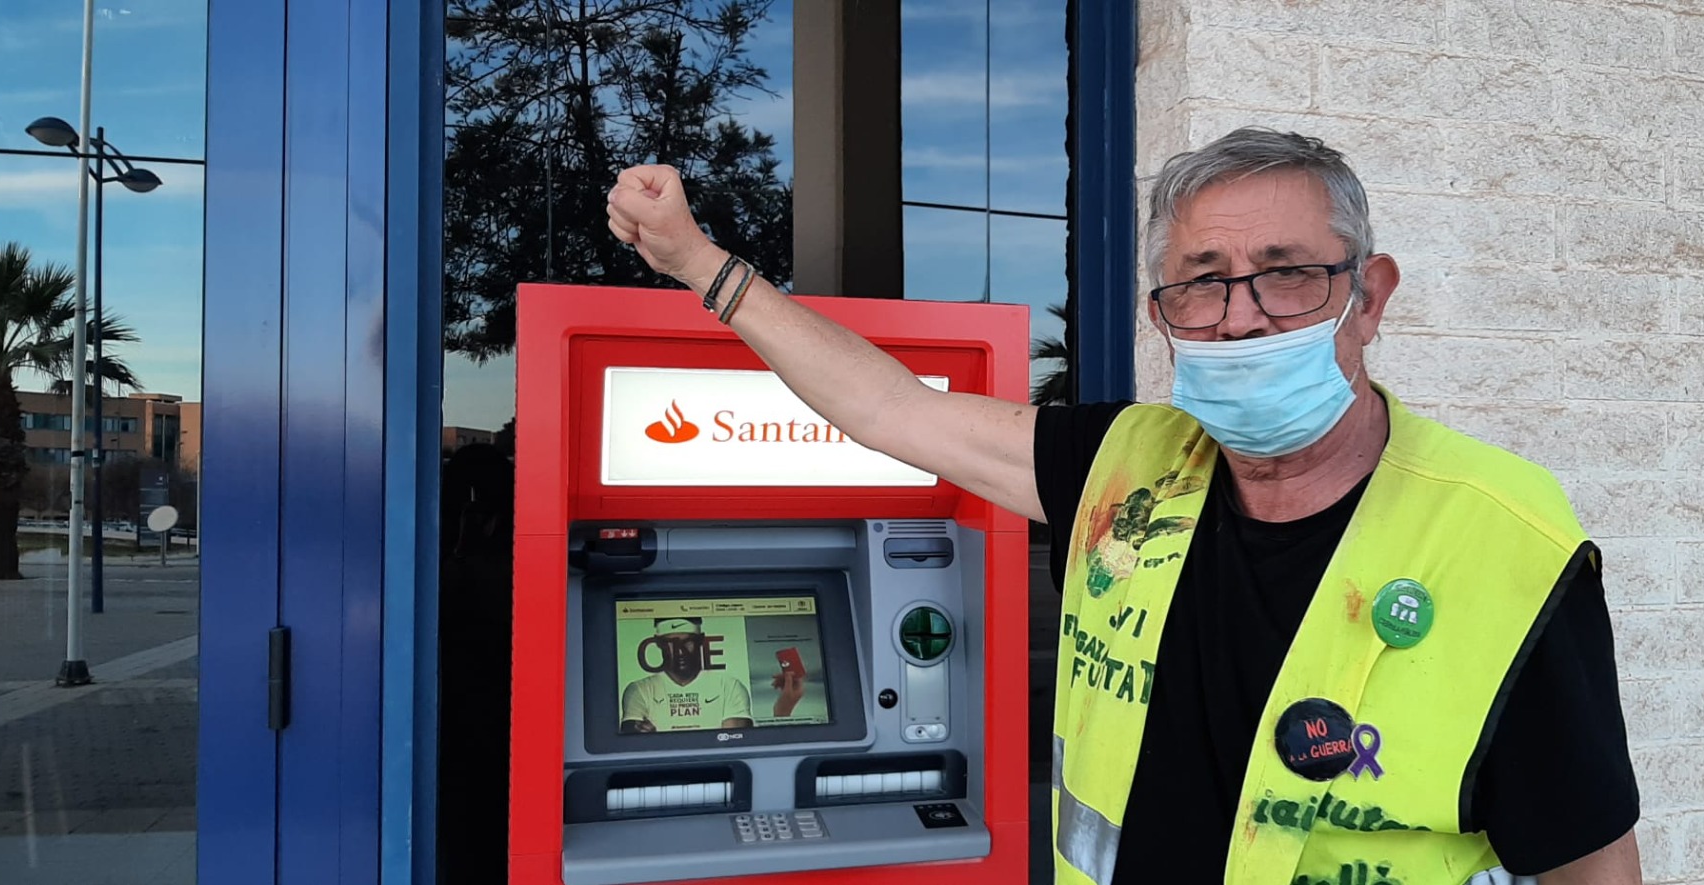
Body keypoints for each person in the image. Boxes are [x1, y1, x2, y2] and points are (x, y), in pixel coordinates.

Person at [603, 127, 1642, 884]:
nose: (1240, 319)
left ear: (1367, 297)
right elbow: (885, 409)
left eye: (1287, 276)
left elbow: (1590, 866)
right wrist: (700, 264)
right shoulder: (1125, 465)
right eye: (1203, 280)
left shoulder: (1507, 540)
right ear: (1163, 312)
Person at [620, 617, 755, 732]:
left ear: (700, 641)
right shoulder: (639, 690)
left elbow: (733, 743)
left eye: (687, 642)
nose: (680, 651)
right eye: (671, 643)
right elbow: (632, 742)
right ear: (659, 644)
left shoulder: (729, 686)